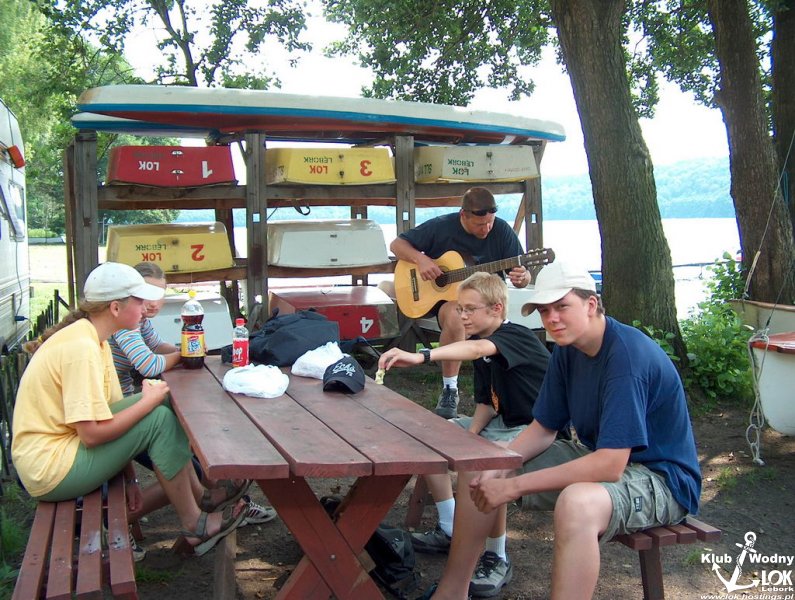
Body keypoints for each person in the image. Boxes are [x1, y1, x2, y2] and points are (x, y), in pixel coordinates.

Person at [423, 261, 702, 599]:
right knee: (482, 465)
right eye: (544, 310)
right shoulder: (567, 350)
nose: (551, 318)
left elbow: (610, 465)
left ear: (591, 304)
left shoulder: (625, 357)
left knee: (576, 503)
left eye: (561, 307)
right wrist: (500, 465)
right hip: (599, 458)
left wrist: (513, 486)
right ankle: (452, 593)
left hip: (662, 479)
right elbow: (544, 428)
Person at [12, 262, 249, 558]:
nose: (145, 308)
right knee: (157, 415)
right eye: (139, 301)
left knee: (162, 402)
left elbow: (110, 412)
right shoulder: (80, 348)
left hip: (65, 451)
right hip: (49, 469)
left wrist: (129, 478)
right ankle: (194, 523)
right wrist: (147, 401)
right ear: (115, 308)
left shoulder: (95, 340)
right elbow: (91, 435)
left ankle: (202, 497)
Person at [378, 272, 550, 590]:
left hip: (533, 429)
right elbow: (486, 404)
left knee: (486, 465)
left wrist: (421, 355)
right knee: (428, 435)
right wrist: (469, 435)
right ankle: (450, 526)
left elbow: (474, 350)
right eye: (460, 309)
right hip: (500, 423)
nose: (462, 316)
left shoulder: (515, 336)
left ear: (497, 309)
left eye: (470, 309)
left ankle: (497, 556)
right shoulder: (480, 346)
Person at [109, 262, 276, 560]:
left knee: (187, 447)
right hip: (116, 415)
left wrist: (188, 350)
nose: (152, 302)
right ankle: (115, 524)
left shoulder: (139, 320)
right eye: (146, 294)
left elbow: (158, 347)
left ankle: (216, 501)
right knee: (191, 460)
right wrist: (187, 353)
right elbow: (147, 364)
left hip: (124, 406)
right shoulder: (127, 323)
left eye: (159, 294)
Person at [390, 187, 532, 419]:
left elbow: (522, 276)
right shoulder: (441, 226)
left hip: (489, 306)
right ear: (463, 215)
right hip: (448, 301)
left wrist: (523, 277)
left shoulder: (501, 230)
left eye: (490, 223)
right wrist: (422, 260)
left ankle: (505, 392)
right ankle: (450, 389)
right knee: (458, 315)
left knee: (485, 319)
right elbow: (397, 245)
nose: (486, 229)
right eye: (480, 224)